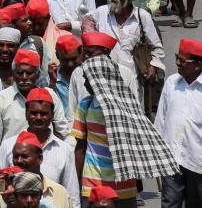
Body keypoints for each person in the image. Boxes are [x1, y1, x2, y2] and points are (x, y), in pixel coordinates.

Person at [71, 55, 178, 206]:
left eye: (87, 78)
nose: (85, 83)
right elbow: (80, 147)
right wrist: (77, 183)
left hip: (124, 185)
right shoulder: (85, 105)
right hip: (92, 182)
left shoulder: (127, 105)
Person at [154, 38, 202, 207]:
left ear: (197, 65)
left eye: (182, 60)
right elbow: (161, 118)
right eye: (177, 57)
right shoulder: (171, 82)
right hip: (172, 158)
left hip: (197, 162)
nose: (177, 63)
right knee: (169, 203)